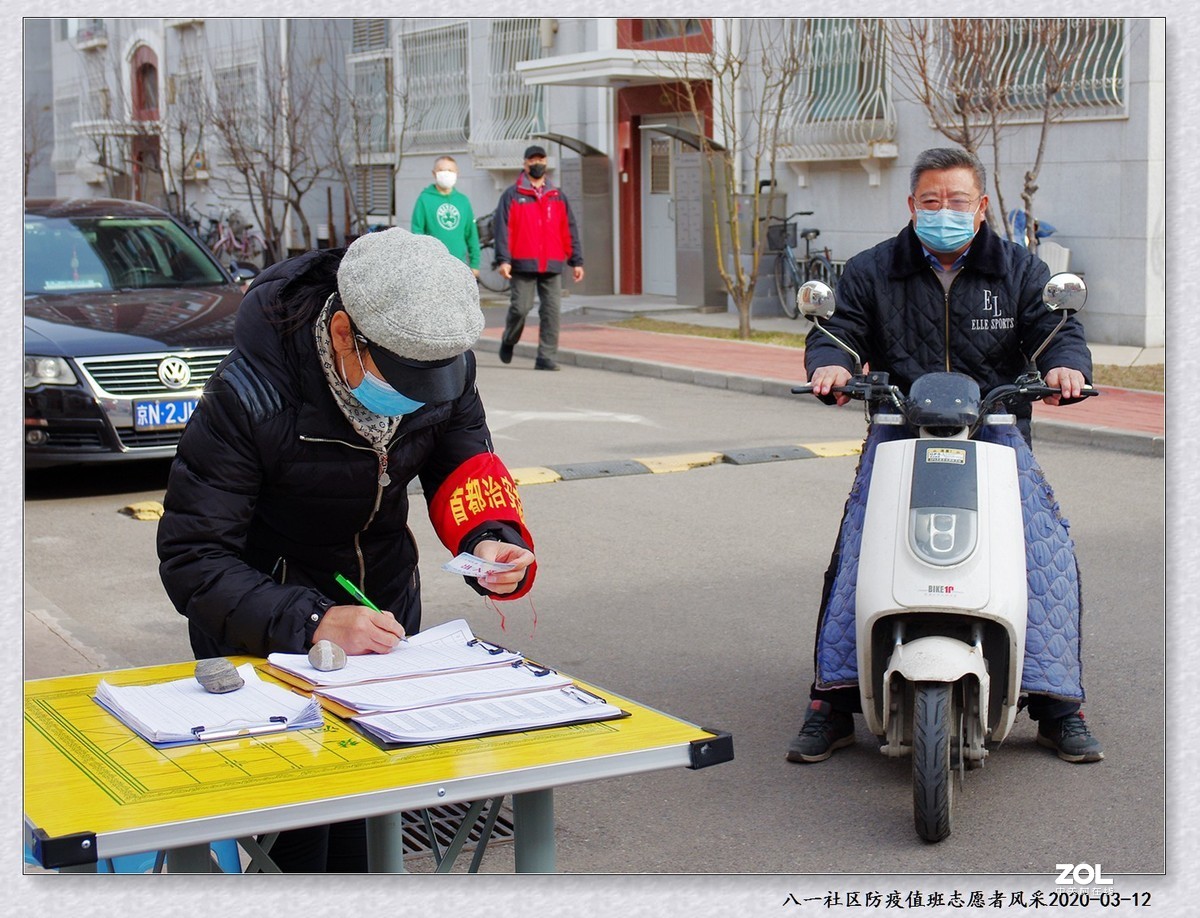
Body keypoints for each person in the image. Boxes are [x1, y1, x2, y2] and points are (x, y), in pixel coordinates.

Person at [157, 227, 537, 871]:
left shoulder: (441, 367)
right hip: (268, 631)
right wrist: (313, 620)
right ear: (343, 334)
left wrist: (491, 539)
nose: (419, 398)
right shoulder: (251, 395)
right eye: (405, 378)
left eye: (435, 380)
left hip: (383, 622)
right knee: (298, 843)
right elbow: (194, 558)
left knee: (370, 830)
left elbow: (462, 459)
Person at [787, 147, 1103, 767]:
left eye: (958, 201)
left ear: (981, 206)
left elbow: (1055, 330)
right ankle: (833, 701)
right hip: (900, 433)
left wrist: (1065, 367)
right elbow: (839, 331)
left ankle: (1059, 706)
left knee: (1043, 550)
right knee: (858, 550)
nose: (944, 212)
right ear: (912, 205)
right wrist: (832, 365)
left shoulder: (1019, 269)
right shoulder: (874, 269)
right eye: (931, 201)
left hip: (996, 433)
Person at [493, 144, 585, 371]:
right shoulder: (512, 195)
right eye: (532, 160)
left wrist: (576, 260)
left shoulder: (557, 196)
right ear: (525, 164)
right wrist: (504, 260)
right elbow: (502, 230)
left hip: (552, 263)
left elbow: (569, 228)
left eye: (541, 160)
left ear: (546, 162)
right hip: (521, 263)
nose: (537, 164)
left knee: (551, 312)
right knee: (520, 308)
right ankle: (509, 339)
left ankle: (546, 357)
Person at [410, 154, 481, 276]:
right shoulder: (424, 199)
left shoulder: (463, 201)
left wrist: (475, 264)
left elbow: (471, 234)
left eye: (450, 170)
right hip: (432, 266)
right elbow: (417, 232)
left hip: (459, 265)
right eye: (441, 170)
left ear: (457, 173)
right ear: (434, 173)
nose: (446, 173)